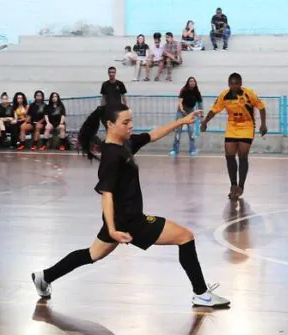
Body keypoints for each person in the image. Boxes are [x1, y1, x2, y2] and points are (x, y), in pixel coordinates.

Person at [31, 104, 230, 308]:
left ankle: (44, 276)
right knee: (185, 237)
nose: (130, 126)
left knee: (92, 254)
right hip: (130, 221)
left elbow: (152, 135)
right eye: (125, 122)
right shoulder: (111, 156)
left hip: (120, 219)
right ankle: (201, 294)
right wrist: (113, 230)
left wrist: (181, 121)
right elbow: (106, 195)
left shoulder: (124, 145)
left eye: (131, 121)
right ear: (110, 124)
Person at [201, 73, 267, 199]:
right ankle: (233, 185)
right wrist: (205, 122)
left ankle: (241, 187)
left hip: (247, 126)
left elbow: (261, 107)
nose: (234, 85)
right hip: (232, 126)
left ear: (241, 84)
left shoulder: (249, 93)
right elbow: (214, 110)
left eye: (236, 83)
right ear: (228, 84)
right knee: (229, 156)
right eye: (232, 83)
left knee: (242, 156)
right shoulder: (224, 95)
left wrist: (263, 124)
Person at [170, 77, 203, 156]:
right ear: (188, 83)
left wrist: (201, 116)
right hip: (181, 112)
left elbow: (200, 104)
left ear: (195, 83)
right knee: (178, 131)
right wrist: (181, 109)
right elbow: (180, 101)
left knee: (191, 131)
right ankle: (175, 150)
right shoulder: (184, 90)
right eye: (190, 81)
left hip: (190, 112)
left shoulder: (197, 92)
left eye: (193, 81)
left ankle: (192, 150)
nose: (192, 82)